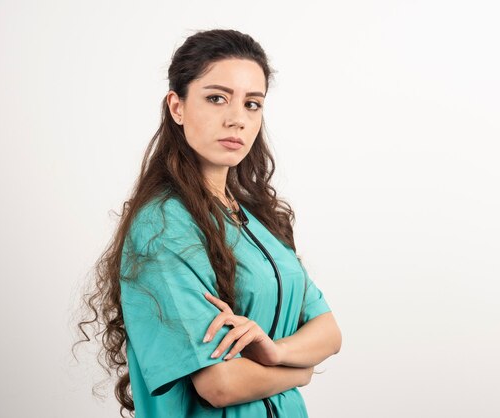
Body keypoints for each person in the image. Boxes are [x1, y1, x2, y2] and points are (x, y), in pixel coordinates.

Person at [75, 28, 341, 418]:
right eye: (217, 98)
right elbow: (220, 385)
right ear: (176, 106)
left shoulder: (256, 217)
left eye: (253, 104)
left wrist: (276, 351)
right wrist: (299, 372)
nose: (237, 119)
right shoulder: (162, 227)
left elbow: (329, 331)